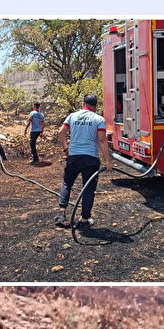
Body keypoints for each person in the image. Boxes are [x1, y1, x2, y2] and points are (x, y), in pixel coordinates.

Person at [54, 94, 112, 228]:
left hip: (73, 157)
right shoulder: (99, 119)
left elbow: (61, 133)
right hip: (90, 159)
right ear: (96, 106)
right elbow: (102, 140)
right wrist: (107, 160)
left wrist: (66, 150)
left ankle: (62, 213)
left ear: (83, 104)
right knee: (88, 189)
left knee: (67, 183)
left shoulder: (72, 116)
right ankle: (85, 218)